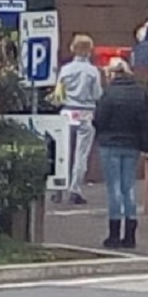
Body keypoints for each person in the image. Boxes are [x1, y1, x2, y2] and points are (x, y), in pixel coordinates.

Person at [93, 58, 148, 249]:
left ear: (112, 73)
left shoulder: (109, 94)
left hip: (110, 145)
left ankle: (114, 234)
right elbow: (146, 120)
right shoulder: (139, 93)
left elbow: (99, 120)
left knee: (114, 189)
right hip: (132, 145)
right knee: (128, 187)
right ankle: (130, 235)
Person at [55, 34, 104, 205]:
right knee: (81, 154)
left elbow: (58, 94)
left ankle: (58, 188)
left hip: (67, 112)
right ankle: (75, 189)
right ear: (90, 50)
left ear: (72, 49)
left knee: (62, 152)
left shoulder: (65, 69)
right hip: (86, 113)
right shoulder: (93, 71)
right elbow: (97, 94)